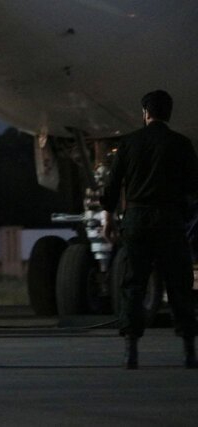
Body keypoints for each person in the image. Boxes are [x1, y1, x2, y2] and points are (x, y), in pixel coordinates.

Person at [101, 90, 198, 369]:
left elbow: (112, 184)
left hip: (137, 218)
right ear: (168, 113)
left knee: (134, 284)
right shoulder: (180, 144)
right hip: (169, 218)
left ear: (145, 113)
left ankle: (130, 350)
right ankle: (189, 350)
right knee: (179, 284)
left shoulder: (129, 144)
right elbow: (194, 186)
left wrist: (108, 216)